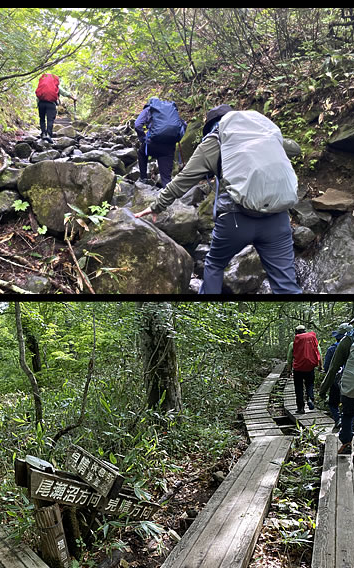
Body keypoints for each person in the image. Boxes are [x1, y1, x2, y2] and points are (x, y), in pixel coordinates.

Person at [134, 104, 302, 294]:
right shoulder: (261, 134)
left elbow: (183, 180)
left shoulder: (214, 141)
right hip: (277, 218)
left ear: (213, 125)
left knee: (214, 266)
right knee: (286, 285)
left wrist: (157, 206)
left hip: (236, 220)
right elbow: (294, 149)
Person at [320, 302, 354, 466]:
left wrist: (323, 390)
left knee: (347, 415)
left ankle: (345, 444)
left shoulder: (347, 340)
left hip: (349, 386)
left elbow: (333, 368)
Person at [134, 97, 187, 188]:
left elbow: (137, 124)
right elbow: (183, 125)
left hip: (153, 144)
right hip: (168, 147)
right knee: (166, 178)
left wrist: (143, 139)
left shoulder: (149, 109)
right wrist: (176, 138)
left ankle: (143, 179)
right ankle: (169, 196)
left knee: (141, 153)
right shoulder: (170, 110)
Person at [287, 324, 322, 414]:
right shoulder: (312, 340)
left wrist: (289, 370)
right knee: (309, 384)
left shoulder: (293, 343)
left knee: (298, 388)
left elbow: (289, 358)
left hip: (298, 369)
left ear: (296, 333)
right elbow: (319, 353)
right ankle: (310, 398)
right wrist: (320, 366)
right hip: (309, 367)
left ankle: (301, 408)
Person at [323, 323, 351, 432]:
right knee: (348, 404)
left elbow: (327, 367)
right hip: (352, 380)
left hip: (336, 379)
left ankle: (338, 419)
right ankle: (347, 423)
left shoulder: (332, 349)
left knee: (332, 403)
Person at [34, 73, 77, 143]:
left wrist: (38, 104)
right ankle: (49, 135)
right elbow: (65, 93)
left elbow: (38, 95)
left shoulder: (42, 86)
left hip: (41, 103)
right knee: (50, 120)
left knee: (42, 119)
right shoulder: (55, 86)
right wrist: (73, 98)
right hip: (51, 104)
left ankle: (43, 133)